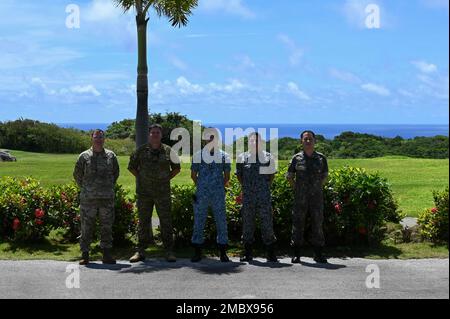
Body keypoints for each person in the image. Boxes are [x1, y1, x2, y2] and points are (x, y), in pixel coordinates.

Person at [128, 124, 181, 263]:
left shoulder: (169, 151)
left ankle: (169, 250)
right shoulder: (141, 151)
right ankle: (140, 251)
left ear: (161, 135)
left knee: (166, 221)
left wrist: (166, 178)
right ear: (149, 134)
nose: (155, 135)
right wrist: (141, 177)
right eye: (153, 132)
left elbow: (177, 168)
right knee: (143, 221)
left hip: (162, 192)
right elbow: (131, 167)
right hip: (144, 193)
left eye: (157, 132)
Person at [73, 129, 119, 265]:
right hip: (88, 199)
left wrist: (107, 186)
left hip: (106, 199)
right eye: (96, 137)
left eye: (101, 137)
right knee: (86, 227)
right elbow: (77, 175)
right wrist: (87, 188)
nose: (98, 139)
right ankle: (85, 254)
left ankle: (106, 254)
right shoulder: (84, 156)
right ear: (92, 138)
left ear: (104, 139)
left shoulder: (111, 156)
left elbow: (115, 173)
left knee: (107, 227)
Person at [286, 130, 328, 264]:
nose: (308, 141)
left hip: (316, 198)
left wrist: (316, 187)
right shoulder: (296, 158)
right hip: (300, 198)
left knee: (317, 224)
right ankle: (297, 254)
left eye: (310, 139)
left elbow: (325, 176)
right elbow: (290, 176)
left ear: (315, 141)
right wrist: (297, 189)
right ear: (301, 141)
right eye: (305, 139)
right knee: (298, 225)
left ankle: (318, 254)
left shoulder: (321, 158)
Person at [236, 132, 278, 262]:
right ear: (249, 142)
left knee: (267, 223)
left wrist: (263, 188)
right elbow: (239, 175)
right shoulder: (242, 157)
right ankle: (248, 252)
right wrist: (248, 188)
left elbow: (271, 176)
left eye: (257, 140)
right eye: (252, 141)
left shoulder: (268, 157)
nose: (254, 143)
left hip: (263, 196)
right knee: (247, 224)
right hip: (248, 197)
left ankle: (270, 252)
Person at [190, 131, 231, 262]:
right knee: (199, 221)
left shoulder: (224, 156)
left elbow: (227, 177)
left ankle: (223, 252)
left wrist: (216, 187)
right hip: (202, 194)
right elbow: (193, 175)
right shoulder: (198, 155)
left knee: (221, 222)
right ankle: (197, 251)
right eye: (209, 138)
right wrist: (202, 186)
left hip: (218, 194)